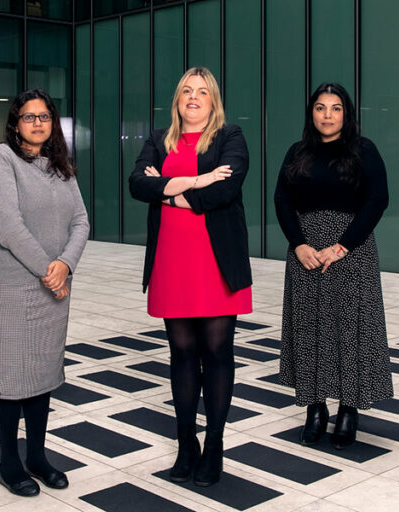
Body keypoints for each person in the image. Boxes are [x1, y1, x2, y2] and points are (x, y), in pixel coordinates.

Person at [129, 67, 252, 487]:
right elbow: (137, 185)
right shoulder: (158, 139)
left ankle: (214, 446)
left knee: (216, 351)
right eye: (186, 90)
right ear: (177, 99)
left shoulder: (230, 136)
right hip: (172, 259)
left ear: (213, 100)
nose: (193, 97)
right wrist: (197, 181)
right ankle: (186, 446)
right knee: (181, 352)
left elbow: (226, 189)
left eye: (202, 91)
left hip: (216, 261)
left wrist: (167, 191)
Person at [0, 88, 89, 497]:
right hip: (11, 282)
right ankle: (9, 462)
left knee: (43, 371)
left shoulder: (61, 165)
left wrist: (66, 265)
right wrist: (51, 272)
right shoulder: (2, 158)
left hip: (54, 283)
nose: (38, 123)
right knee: (12, 374)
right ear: (15, 124)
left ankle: (37, 457)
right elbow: (8, 227)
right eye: (29, 117)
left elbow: (81, 221)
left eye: (44, 116)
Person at [274, 83, 392, 449]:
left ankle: (348, 410)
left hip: (351, 250)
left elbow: (378, 199)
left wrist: (343, 246)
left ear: (347, 113)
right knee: (309, 329)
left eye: (336, 108)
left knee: (351, 329)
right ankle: (315, 408)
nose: (327, 115)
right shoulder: (297, 152)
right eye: (321, 107)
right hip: (306, 252)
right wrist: (299, 244)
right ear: (311, 113)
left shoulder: (363, 150)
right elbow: (281, 200)